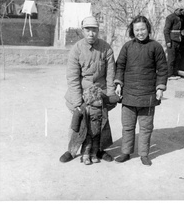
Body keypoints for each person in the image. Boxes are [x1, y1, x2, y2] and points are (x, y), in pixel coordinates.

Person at [59, 16, 117, 165]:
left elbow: (110, 75)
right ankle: (71, 150)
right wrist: (78, 102)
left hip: (100, 92)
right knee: (79, 122)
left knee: (101, 122)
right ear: (82, 30)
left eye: (94, 30)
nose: (91, 34)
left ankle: (100, 150)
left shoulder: (106, 48)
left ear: (98, 31)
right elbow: (72, 78)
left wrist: (109, 97)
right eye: (88, 30)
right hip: (81, 94)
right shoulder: (76, 49)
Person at [114, 15, 168, 166]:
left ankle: (144, 154)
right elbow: (120, 66)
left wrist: (160, 88)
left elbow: (163, 69)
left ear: (148, 29)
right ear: (133, 31)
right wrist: (118, 84)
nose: (140, 33)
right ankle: (125, 152)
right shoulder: (127, 47)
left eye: (143, 29)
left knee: (145, 127)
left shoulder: (155, 47)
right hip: (129, 94)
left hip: (148, 94)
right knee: (128, 126)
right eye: (137, 30)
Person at [163, 8, 184, 79]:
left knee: (177, 57)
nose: (181, 12)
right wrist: (168, 41)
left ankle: (174, 73)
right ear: (176, 10)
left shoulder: (182, 18)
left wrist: (183, 32)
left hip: (178, 40)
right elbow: (166, 30)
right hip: (172, 40)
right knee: (171, 58)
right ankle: (169, 74)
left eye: (182, 10)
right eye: (180, 10)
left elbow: (182, 28)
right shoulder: (170, 18)